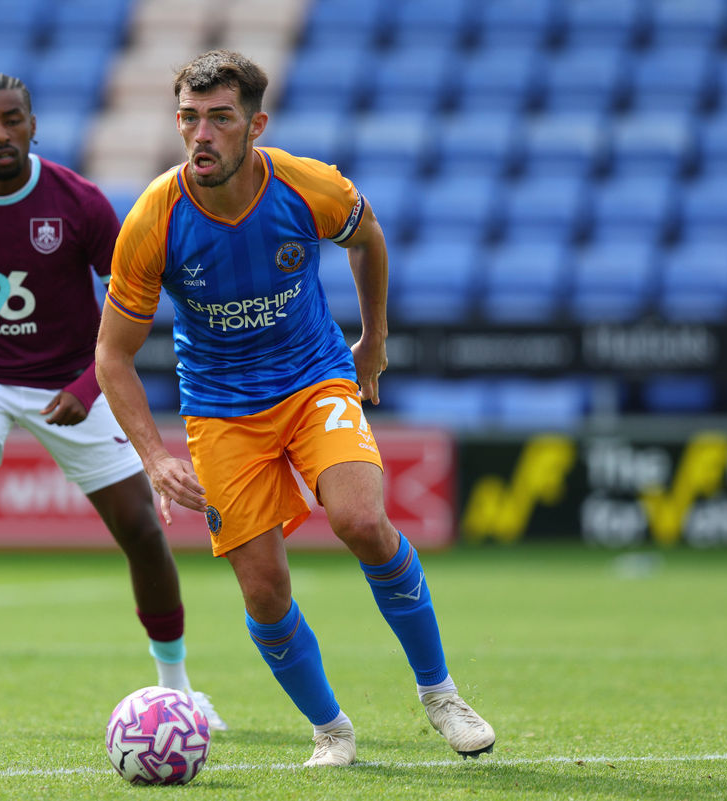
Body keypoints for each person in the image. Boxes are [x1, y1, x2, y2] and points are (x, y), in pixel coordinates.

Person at [95, 50, 495, 767]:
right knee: (264, 587)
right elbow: (112, 355)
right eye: (189, 118)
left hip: (314, 381)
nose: (202, 135)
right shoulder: (154, 217)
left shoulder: (308, 187)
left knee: (362, 519)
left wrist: (371, 339)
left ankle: (440, 694)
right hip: (221, 411)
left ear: (256, 123)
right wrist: (154, 457)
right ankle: (331, 728)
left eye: (221, 118)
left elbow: (366, 238)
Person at [0, 73, 225, 736]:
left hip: (72, 379)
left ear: (34, 124)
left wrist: (90, 386)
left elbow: (135, 300)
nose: (1, 133)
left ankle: (179, 687)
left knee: (142, 530)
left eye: (13, 119)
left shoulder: (80, 202)